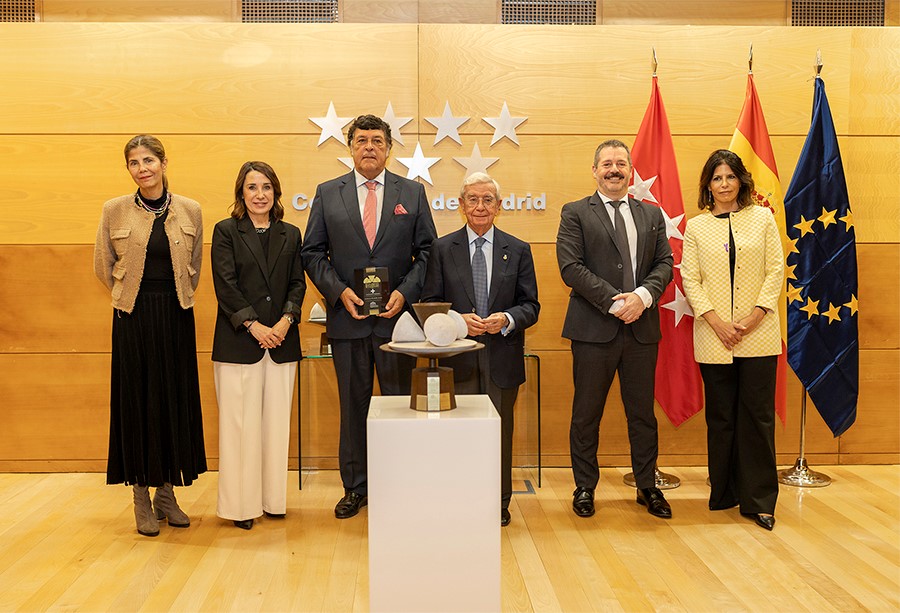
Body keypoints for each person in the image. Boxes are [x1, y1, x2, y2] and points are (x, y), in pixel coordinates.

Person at [301, 115, 437, 519]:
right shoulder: (328, 193)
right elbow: (312, 252)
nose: (369, 148)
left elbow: (427, 252)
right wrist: (339, 292)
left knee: (397, 406)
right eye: (361, 140)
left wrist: (404, 292)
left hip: (397, 322)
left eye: (377, 141)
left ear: (389, 148)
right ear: (350, 147)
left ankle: (398, 485)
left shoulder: (410, 193)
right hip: (349, 322)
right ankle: (355, 487)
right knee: (353, 407)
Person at [93, 134, 206, 537]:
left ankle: (167, 492)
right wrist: (131, 296)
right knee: (138, 403)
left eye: (148, 160)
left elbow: (194, 264)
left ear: (163, 162)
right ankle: (140, 494)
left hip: (176, 317)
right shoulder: (114, 210)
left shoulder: (190, 209)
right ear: (129, 169)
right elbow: (103, 266)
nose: (142, 168)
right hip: (133, 319)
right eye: (134, 162)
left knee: (171, 402)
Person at [556, 139, 674, 520]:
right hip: (593, 329)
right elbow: (571, 267)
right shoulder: (575, 212)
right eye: (606, 163)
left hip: (642, 329)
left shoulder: (651, 215)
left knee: (642, 414)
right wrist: (616, 301)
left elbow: (665, 265)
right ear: (594, 171)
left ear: (630, 170)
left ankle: (647, 486)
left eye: (620, 163)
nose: (614, 169)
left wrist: (641, 297)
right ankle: (585, 487)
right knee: (586, 414)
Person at [421, 172, 540, 527]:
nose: (480, 206)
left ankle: (498, 502)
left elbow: (530, 305)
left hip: (502, 358)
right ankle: (457, 500)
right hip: (456, 359)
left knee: (498, 435)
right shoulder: (442, 249)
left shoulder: (518, 249)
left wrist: (505, 318)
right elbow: (429, 303)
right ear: (461, 205)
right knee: (456, 435)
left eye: (488, 200)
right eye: (473, 199)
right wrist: (458, 320)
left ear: (499, 206)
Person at [681, 149, 784, 531]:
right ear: (708, 185)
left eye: (729, 177)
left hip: (759, 335)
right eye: (716, 179)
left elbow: (775, 270)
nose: (723, 185)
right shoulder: (697, 227)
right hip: (714, 335)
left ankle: (759, 500)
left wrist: (755, 315)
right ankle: (723, 491)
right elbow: (691, 278)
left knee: (757, 416)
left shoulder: (762, 219)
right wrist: (716, 321)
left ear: (741, 180)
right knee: (721, 416)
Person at [211, 161, 306, 530]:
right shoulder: (226, 231)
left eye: (266, 187)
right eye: (252, 187)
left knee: (275, 426)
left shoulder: (291, 233)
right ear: (241, 193)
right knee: (240, 428)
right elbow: (225, 285)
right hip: (240, 344)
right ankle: (240, 507)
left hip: (281, 342)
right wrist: (254, 326)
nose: (260, 194)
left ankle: (272, 500)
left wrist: (284, 321)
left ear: (276, 192)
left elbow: (297, 283)